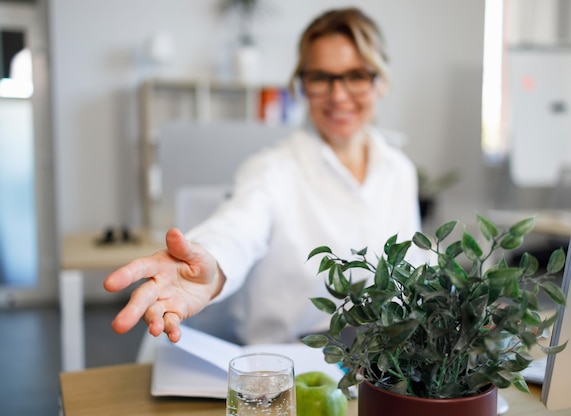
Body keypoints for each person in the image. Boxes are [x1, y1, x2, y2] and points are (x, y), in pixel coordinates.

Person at [104, 7, 422, 346]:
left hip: (385, 368)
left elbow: (413, 271)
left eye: (356, 75)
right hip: (287, 372)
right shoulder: (271, 171)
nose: (338, 95)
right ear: (301, 85)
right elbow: (236, 230)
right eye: (320, 77)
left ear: (381, 81)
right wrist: (211, 264)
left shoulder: (400, 171)